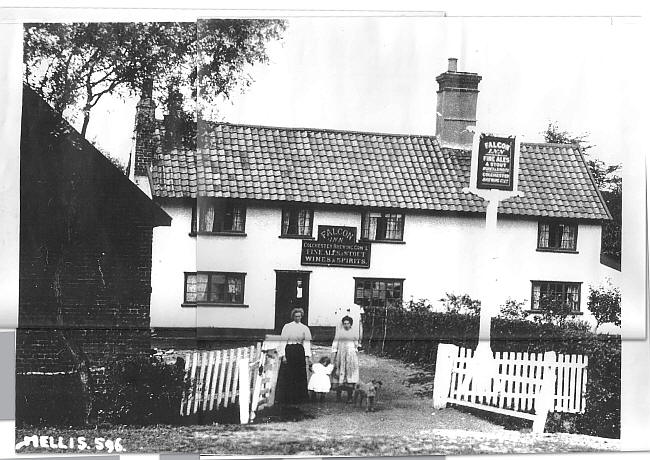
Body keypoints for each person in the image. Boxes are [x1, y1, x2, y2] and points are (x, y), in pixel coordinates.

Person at [277, 307, 312, 404]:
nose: (298, 318)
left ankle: (299, 397)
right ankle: (287, 397)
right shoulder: (287, 327)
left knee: (299, 374)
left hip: (299, 351)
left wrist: (307, 356)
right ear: (293, 317)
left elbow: (307, 343)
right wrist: (283, 355)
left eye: (299, 316)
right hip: (289, 350)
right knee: (288, 373)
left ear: (301, 317)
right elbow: (283, 341)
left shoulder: (304, 328)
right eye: (296, 316)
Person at [331, 315, 360, 402]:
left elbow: (356, 345)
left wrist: (354, 355)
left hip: (351, 357)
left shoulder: (354, 333)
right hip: (341, 356)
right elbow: (334, 346)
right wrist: (333, 358)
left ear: (351, 324)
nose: (346, 325)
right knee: (339, 374)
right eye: (344, 323)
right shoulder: (339, 333)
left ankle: (350, 397)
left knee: (350, 376)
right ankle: (338, 396)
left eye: (348, 323)